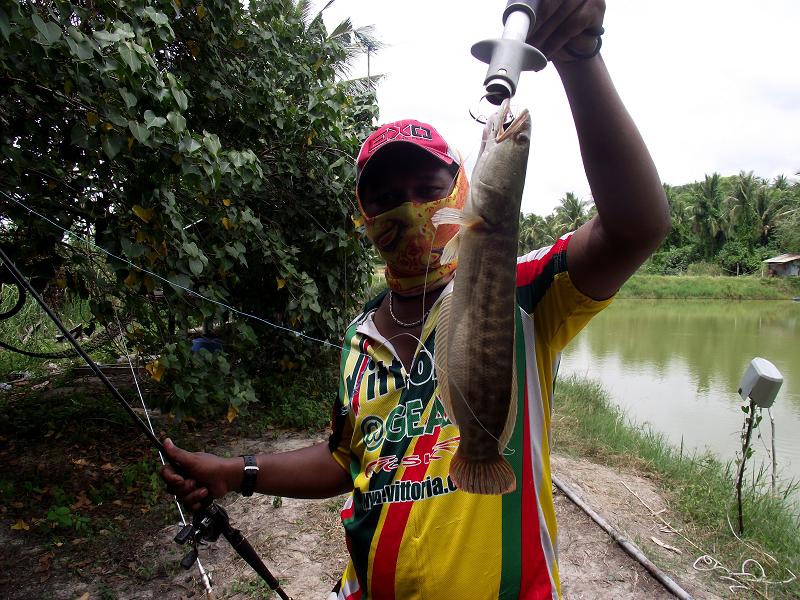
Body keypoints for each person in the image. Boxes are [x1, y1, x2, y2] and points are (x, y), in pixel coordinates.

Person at [160, 2, 671, 598]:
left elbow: (636, 227)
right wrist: (237, 473)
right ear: (364, 216)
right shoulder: (360, 339)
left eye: (426, 188)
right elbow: (346, 459)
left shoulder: (522, 291)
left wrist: (579, 54)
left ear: (461, 186)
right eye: (384, 197)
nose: (407, 209)